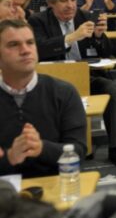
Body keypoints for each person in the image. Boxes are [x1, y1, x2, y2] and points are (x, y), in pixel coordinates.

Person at [28, 0, 116, 167]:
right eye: (64, 0)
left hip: (85, 75)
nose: (70, 5)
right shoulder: (38, 20)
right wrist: (72, 37)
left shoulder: (84, 16)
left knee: (111, 90)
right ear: (51, 3)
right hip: (53, 79)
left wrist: (99, 37)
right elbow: (39, 49)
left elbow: (108, 52)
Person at [0, 19, 86, 178]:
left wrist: (41, 148)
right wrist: (10, 157)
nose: (25, 50)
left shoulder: (64, 92)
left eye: (30, 42)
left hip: (55, 191)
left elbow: (79, 152)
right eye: (13, 44)